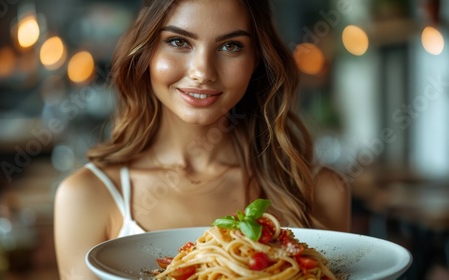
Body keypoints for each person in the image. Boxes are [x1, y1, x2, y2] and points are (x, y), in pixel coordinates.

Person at [54, 0, 351, 279]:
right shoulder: (86, 197)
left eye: (230, 46)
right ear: (146, 51)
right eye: (178, 42)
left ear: (257, 59)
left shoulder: (321, 191)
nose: (203, 72)